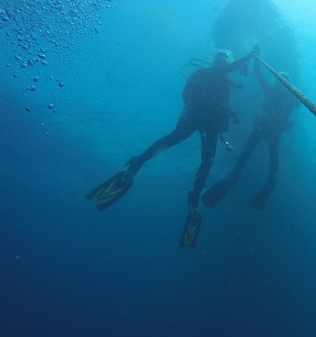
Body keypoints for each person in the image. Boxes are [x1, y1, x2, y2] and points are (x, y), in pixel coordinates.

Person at [85, 47, 257, 247]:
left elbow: (198, 98)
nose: (222, 63)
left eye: (223, 59)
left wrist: (230, 113)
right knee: (196, 154)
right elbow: (195, 94)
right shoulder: (209, 73)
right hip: (201, 120)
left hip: (201, 120)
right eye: (221, 59)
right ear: (216, 62)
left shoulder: (214, 78)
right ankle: (187, 192)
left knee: (191, 152)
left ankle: (141, 168)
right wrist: (250, 55)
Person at [202, 58, 299, 210]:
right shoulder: (289, 96)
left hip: (262, 131)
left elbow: (260, 75)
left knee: (248, 158)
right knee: (269, 163)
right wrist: (256, 59)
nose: (278, 84)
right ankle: (263, 184)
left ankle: (237, 177)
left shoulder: (277, 92)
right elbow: (260, 75)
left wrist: (256, 59)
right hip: (270, 133)